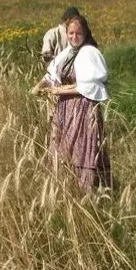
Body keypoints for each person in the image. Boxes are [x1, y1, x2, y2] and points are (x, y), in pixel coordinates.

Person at [31, 15, 110, 191]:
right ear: (66, 33)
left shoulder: (89, 53)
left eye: (79, 33)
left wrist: (59, 91)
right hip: (65, 109)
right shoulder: (67, 53)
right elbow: (52, 74)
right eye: (71, 33)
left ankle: (86, 191)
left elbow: (88, 86)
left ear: (86, 33)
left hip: (83, 109)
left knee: (82, 149)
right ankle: (65, 188)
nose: (75, 37)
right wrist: (39, 86)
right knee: (63, 147)